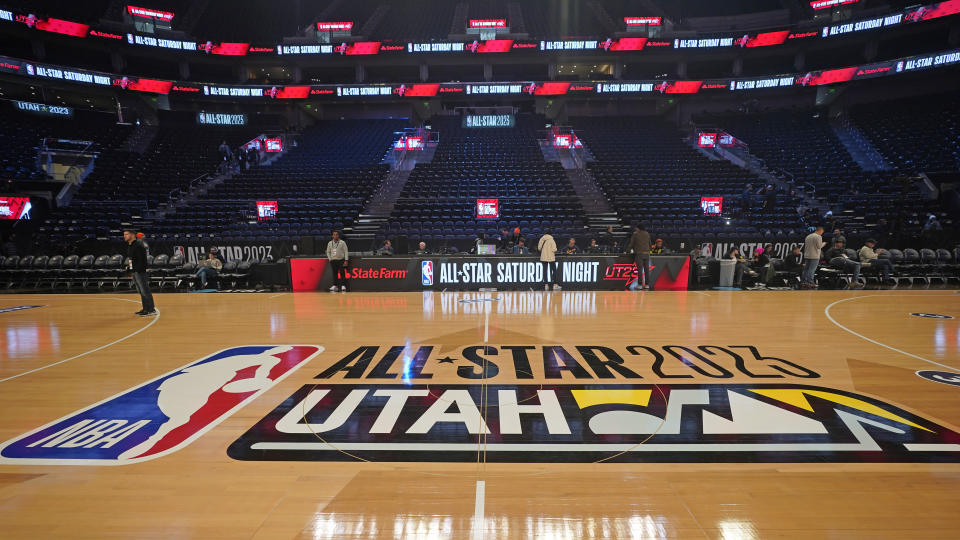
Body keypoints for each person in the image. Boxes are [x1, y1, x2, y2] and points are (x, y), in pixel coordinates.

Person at [124, 229, 156, 316]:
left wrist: (141, 269)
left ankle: (151, 309)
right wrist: (130, 270)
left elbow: (143, 259)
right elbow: (132, 260)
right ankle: (145, 309)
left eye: (127, 234)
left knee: (145, 291)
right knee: (141, 291)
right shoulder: (130, 245)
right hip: (135, 271)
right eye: (124, 234)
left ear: (133, 235)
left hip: (140, 271)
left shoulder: (138, 245)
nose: (125, 236)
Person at [626, 224, 652, 290]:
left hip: (639, 254)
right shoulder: (647, 234)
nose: (635, 229)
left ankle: (640, 284)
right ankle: (647, 285)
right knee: (646, 270)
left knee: (640, 270)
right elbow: (650, 244)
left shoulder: (635, 234)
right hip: (647, 254)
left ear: (638, 228)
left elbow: (631, 244)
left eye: (636, 228)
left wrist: (627, 251)